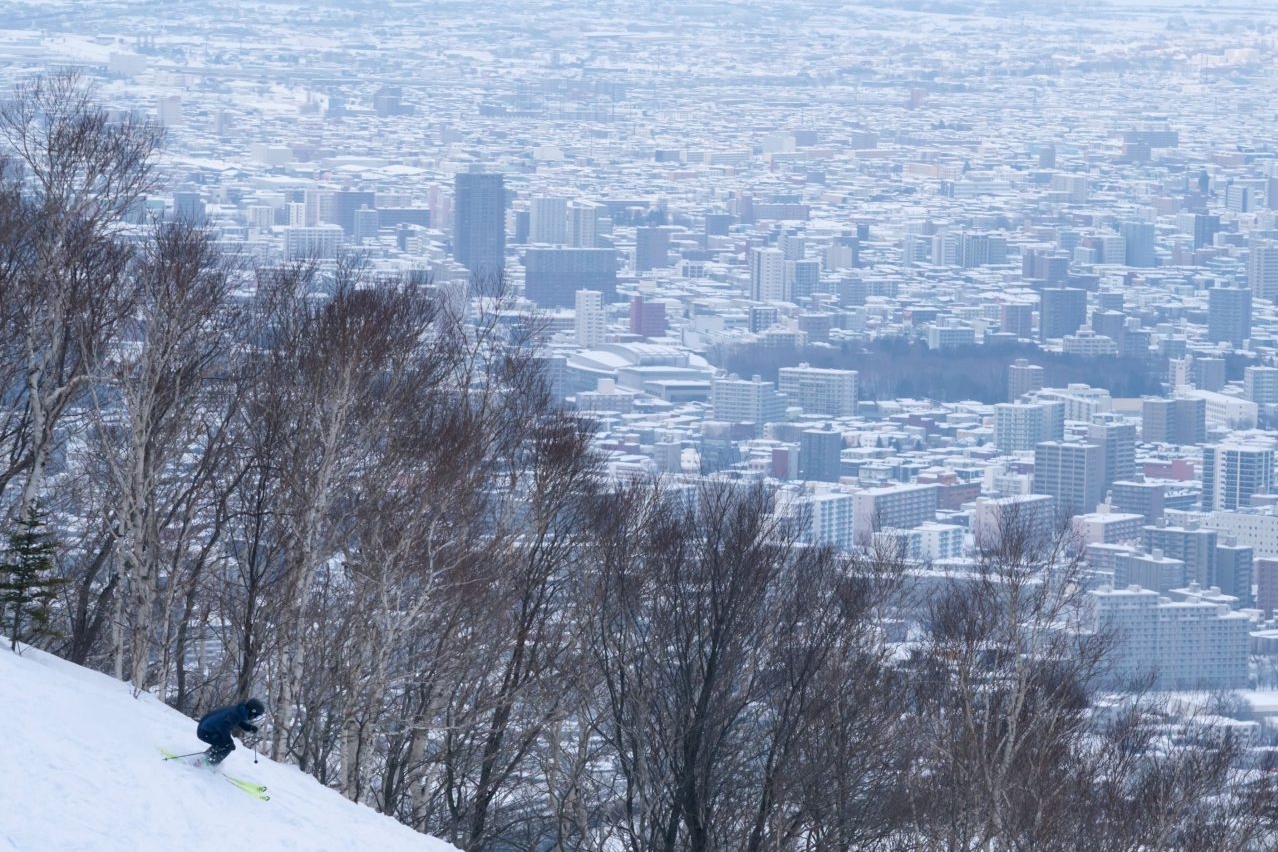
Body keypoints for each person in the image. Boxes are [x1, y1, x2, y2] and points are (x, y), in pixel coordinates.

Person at [196, 697, 266, 765]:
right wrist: (229, 741)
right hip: (205, 731)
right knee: (227, 746)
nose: (255, 718)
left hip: (205, 729)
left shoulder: (239, 711)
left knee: (222, 743)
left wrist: (249, 727)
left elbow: (238, 722)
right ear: (252, 711)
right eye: (256, 716)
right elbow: (224, 727)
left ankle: (205, 758)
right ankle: (209, 764)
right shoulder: (236, 714)